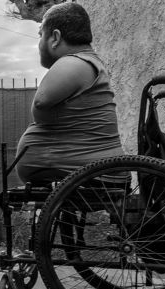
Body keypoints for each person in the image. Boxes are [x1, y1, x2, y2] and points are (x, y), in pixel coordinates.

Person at [15, 2, 124, 184]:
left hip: (87, 173)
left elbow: (41, 100)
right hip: (90, 170)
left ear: (55, 37)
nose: (39, 43)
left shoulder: (74, 63)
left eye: (41, 35)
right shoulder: (86, 61)